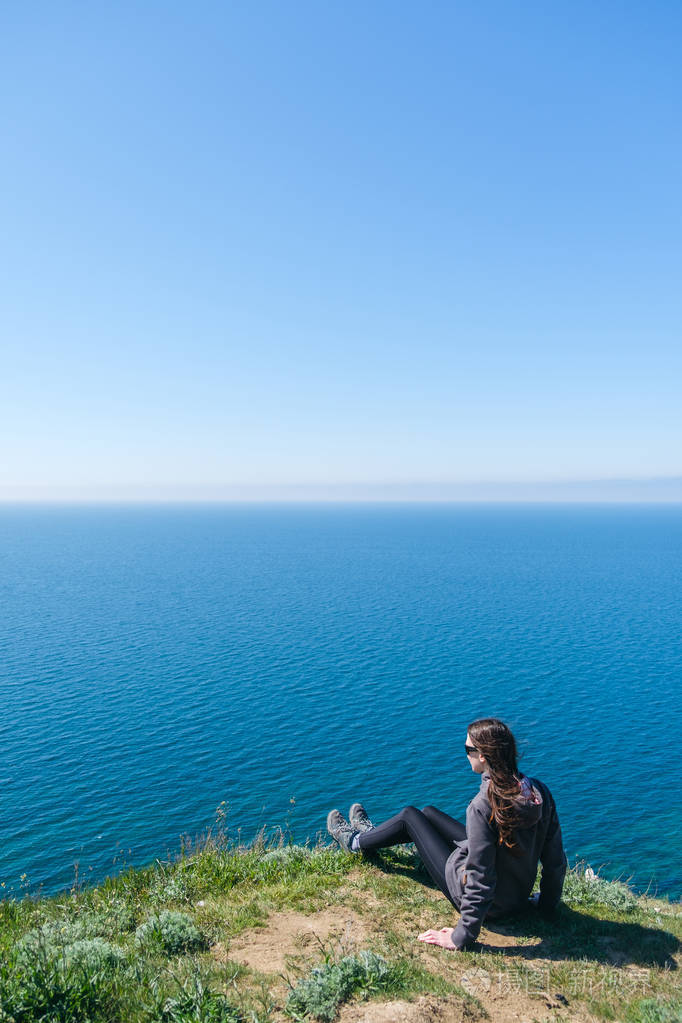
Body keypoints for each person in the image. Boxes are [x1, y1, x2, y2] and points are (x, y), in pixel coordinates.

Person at [326, 717, 567, 950]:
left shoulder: (481, 806)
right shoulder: (539, 793)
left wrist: (461, 936)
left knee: (410, 817)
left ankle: (355, 841)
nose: (465, 754)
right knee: (428, 813)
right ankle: (374, 836)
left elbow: (480, 877)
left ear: (483, 756)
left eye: (467, 748)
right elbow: (555, 860)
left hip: (490, 905)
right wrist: (546, 905)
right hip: (516, 896)